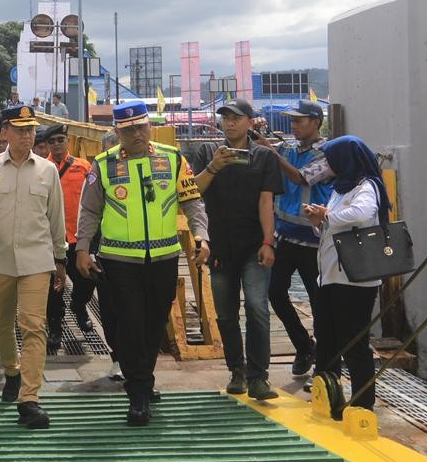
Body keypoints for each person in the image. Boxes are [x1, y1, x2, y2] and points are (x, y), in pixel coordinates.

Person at [77, 100, 209, 424]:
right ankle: (138, 393)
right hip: (119, 259)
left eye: (141, 127)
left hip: (164, 257)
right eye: (128, 129)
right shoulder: (103, 165)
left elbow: (192, 202)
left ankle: (143, 380)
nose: (136, 134)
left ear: (150, 126)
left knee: (153, 325)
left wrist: (202, 236)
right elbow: (90, 210)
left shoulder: (173, 159)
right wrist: (82, 248)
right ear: (117, 131)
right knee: (131, 324)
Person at [195, 98, 284, 401]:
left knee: (257, 308)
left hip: (253, 246)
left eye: (236, 117)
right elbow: (192, 191)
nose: (230, 123)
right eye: (225, 117)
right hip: (220, 246)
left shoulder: (263, 157)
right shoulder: (207, 152)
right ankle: (238, 371)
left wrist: (268, 241)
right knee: (225, 313)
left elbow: (266, 202)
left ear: (250, 121)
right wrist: (213, 166)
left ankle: (260, 377)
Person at [0, 105, 67, 429]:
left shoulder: (48, 171)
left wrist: (60, 259)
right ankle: (11, 370)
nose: (27, 136)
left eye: (31, 130)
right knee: (1, 324)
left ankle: (30, 398)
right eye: (20, 130)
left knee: (34, 325)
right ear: (5, 132)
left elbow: (56, 219)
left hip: (37, 259)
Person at [304, 136, 390, 412]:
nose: (328, 165)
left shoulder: (367, 187)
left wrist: (326, 214)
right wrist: (318, 220)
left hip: (354, 279)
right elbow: (332, 225)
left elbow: (362, 215)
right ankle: (327, 392)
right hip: (330, 276)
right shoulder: (340, 188)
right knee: (326, 336)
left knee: (353, 341)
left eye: (331, 159)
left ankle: (363, 402)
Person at [254, 100, 334, 376]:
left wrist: (269, 152)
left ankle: (325, 362)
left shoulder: (327, 155)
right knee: (275, 293)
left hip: (314, 241)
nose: (293, 125)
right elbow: (271, 154)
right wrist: (257, 138)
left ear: (316, 122)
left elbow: (301, 178)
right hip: (285, 237)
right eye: (293, 121)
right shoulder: (289, 149)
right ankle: (303, 346)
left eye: (299, 121)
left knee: (319, 303)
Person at [41, 123, 96, 349]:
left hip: (78, 239)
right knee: (53, 289)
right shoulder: (42, 169)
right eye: (51, 142)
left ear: (68, 141)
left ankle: (79, 304)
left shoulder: (84, 167)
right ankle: (55, 325)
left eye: (60, 140)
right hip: (52, 241)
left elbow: (95, 200)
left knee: (87, 281)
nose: (56, 145)